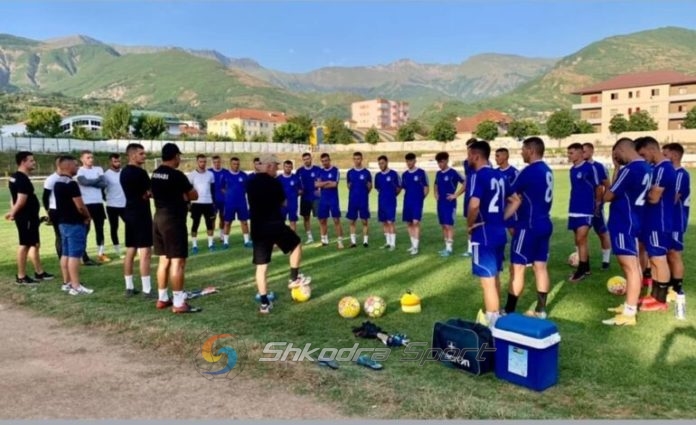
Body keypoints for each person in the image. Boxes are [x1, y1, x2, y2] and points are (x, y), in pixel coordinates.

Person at [247, 154, 311, 314]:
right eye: (276, 166)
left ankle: (264, 304)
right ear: (269, 166)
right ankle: (293, 278)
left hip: (257, 228)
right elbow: (283, 202)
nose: (277, 169)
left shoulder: (251, 182)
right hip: (274, 225)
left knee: (261, 267)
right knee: (296, 244)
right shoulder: (274, 182)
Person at [602, 138, 652, 326]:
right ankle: (629, 305)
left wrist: (617, 169)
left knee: (630, 267)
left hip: (624, 222)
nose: (616, 159)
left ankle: (629, 313)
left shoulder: (629, 169)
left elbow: (608, 195)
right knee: (634, 266)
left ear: (622, 150)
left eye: (616, 155)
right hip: (636, 219)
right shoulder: (647, 167)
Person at [503, 137, 554, 319]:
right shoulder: (547, 170)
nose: (521, 152)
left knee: (517, 268)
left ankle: (508, 311)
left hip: (528, 226)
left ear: (531, 150)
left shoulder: (528, 171)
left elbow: (510, 193)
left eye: (523, 149)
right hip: (544, 223)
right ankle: (541, 310)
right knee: (541, 267)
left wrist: (503, 218)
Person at [151, 143, 201, 314]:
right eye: (179, 156)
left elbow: (152, 193)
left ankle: (162, 298)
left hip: (158, 218)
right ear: (175, 156)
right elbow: (194, 195)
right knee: (178, 262)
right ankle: (179, 302)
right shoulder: (177, 175)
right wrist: (184, 196)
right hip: (173, 221)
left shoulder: (155, 173)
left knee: (163, 261)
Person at [466, 142, 508, 328]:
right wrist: (500, 218)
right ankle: (496, 314)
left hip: (483, 234)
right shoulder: (500, 175)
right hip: (499, 232)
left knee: (487, 281)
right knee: (495, 275)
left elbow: (474, 205)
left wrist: (470, 225)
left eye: (469, 155)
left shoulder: (478, 176)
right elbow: (515, 200)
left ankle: (492, 323)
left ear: (476, 156)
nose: (468, 158)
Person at [635, 136, 676, 312]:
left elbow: (653, 198)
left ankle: (660, 300)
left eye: (643, 154)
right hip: (652, 220)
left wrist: (643, 193)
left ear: (651, 149)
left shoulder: (663, 169)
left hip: (659, 221)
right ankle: (654, 295)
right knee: (654, 258)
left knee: (659, 259)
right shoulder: (656, 168)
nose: (643, 158)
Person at [6, 151, 53, 285]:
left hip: (30, 217)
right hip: (25, 217)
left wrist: (13, 210)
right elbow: (20, 201)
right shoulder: (21, 179)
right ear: (23, 162)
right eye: (31, 160)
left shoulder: (15, 177)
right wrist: (13, 213)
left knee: (35, 244)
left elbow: (13, 198)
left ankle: (39, 273)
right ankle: (21, 277)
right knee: (25, 245)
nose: (34, 163)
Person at [54, 155, 94, 295]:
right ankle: (76, 285)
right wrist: (87, 216)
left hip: (63, 223)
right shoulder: (71, 183)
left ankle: (67, 282)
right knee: (75, 255)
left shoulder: (58, 182)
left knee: (65, 253)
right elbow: (80, 206)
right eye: (76, 165)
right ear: (69, 166)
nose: (77, 167)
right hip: (74, 223)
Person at [120, 143, 154, 299]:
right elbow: (149, 193)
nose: (144, 156)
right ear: (133, 155)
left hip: (129, 212)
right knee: (145, 251)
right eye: (141, 153)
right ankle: (147, 290)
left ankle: (129, 287)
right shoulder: (140, 173)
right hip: (141, 214)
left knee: (131, 250)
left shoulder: (123, 172)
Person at [566, 143, 602, 282]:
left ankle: (580, 271)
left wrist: (597, 204)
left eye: (571, 153)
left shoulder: (590, 168)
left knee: (581, 238)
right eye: (568, 153)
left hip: (586, 209)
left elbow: (598, 187)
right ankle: (586, 268)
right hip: (574, 208)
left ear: (580, 153)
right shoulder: (572, 170)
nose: (569, 155)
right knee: (579, 240)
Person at [662, 143, 689, 316]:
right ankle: (669, 285)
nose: (663, 157)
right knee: (665, 253)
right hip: (666, 220)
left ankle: (677, 288)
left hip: (675, 220)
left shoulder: (680, 174)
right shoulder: (670, 173)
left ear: (675, 155)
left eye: (666, 154)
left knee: (674, 253)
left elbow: (673, 198)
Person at [77, 150, 109, 263]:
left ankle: (101, 253)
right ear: (82, 159)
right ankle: (82, 254)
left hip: (98, 203)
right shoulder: (79, 170)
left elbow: (104, 184)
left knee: (100, 229)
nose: (91, 159)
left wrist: (91, 182)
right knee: (85, 230)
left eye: (92, 157)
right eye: (88, 157)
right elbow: (84, 182)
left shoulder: (98, 169)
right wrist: (97, 180)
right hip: (86, 204)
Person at [433, 151, 465, 257]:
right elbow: (435, 184)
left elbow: (465, 183)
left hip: (450, 203)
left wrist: (456, 195)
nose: (440, 164)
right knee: (443, 225)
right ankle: (446, 247)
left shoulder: (453, 173)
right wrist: (435, 193)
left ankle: (449, 249)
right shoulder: (438, 173)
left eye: (441, 162)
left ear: (446, 161)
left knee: (448, 225)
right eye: (438, 162)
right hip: (440, 203)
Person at [401, 152, 429, 255]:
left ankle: (416, 247)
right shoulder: (404, 175)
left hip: (417, 202)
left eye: (411, 161)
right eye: (407, 161)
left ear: (415, 161)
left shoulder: (421, 173)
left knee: (416, 222)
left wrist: (421, 199)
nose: (409, 163)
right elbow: (404, 188)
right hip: (407, 202)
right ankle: (412, 245)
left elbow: (426, 188)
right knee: (409, 223)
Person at [188, 154, 216, 254]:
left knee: (209, 224)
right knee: (195, 224)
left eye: (204, 161)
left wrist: (213, 202)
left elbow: (213, 190)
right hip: (196, 204)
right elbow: (188, 191)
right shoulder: (191, 175)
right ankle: (194, 245)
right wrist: (188, 203)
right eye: (201, 161)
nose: (203, 163)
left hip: (208, 203)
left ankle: (210, 244)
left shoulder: (210, 174)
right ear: (197, 162)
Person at [222, 157, 252, 249]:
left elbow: (247, 188)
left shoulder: (244, 175)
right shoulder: (225, 175)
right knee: (227, 222)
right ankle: (225, 242)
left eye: (237, 164)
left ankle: (246, 241)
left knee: (244, 222)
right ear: (230, 164)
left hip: (241, 202)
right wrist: (228, 195)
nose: (236, 165)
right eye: (234, 164)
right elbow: (221, 188)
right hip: (229, 203)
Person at [316, 153, 344, 249]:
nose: (324, 162)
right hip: (323, 199)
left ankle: (340, 241)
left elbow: (334, 184)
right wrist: (328, 182)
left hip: (333, 199)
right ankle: (324, 240)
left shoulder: (335, 170)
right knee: (322, 220)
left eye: (326, 160)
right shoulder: (320, 171)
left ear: (329, 160)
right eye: (323, 161)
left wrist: (323, 184)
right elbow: (316, 184)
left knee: (336, 220)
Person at [374, 155, 401, 251]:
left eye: (382, 163)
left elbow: (399, 188)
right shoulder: (377, 176)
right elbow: (378, 188)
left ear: (386, 162)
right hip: (381, 201)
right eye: (379, 164)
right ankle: (388, 242)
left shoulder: (394, 174)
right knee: (384, 222)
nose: (381, 165)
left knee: (390, 222)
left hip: (390, 202)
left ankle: (393, 244)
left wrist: (392, 195)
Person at [346, 152, 372, 248]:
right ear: (353, 159)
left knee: (364, 221)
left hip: (363, 200)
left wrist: (364, 193)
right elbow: (348, 186)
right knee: (352, 221)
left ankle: (365, 241)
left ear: (361, 159)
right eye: (355, 159)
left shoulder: (366, 173)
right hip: (353, 200)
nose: (357, 160)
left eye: (358, 158)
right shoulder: (350, 172)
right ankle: (353, 242)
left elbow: (370, 187)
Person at [104, 153, 126, 259]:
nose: (117, 163)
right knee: (114, 227)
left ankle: (135, 247)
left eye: (119, 161)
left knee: (131, 225)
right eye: (115, 161)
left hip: (125, 205)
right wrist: (108, 199)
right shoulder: (106, 175)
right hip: (112, 206)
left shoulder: (124, 172)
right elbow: (102, 190)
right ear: (110, 162)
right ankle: (118, 251)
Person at [296, 152, 322, 244]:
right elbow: (297, 184)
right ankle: (310, 237)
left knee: (320, 217)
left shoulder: (317, 169)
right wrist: (299, 191)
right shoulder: (299, 171)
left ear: (311, 159)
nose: (306, 161)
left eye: (308, 159)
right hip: (305, 198)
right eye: (304, 159)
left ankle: (323, 236)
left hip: (316, 198)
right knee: (306, 218)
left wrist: (319, 190)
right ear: (303, 160)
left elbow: (321, 181)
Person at [494, 148, 519, 234]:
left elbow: (518, 192)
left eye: (497, 156)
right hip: (497, 208)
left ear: (505, 156)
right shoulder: (494, 173)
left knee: (513, 231)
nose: (495, 158)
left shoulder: (514, 172)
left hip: (510, 207)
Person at [42, 156, 63, 258]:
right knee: (59, 235)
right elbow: (45, 197)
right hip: (56, 210)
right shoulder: (51, 179)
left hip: (67, 210)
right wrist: (48, 212)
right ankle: (62, 259)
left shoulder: (68, 178)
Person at [461, 137, 478, 257]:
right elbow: (467, 180)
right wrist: (457, 194)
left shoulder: (485, 162)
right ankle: (470, 249)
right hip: (468, 196)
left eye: (471, 148)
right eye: (468, 148)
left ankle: (480, 246)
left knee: (481, 221)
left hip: (480, 196)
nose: (469, 150)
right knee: (469, 222)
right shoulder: (466, 162)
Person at [209, 155, 230, 243]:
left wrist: (227, 191)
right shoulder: (209, 172)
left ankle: (221, 235)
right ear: (212, 163)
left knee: (223, 218)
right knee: (212, 219)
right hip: (212, 200)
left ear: (221, 162)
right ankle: (211, 238)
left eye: (218, 162)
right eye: (215, 162)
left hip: (223, 200)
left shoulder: (226, 172)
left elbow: (229, 185)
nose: (217, 164)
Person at [278, 160, 302, 232]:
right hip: (282, 204)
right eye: (286, 166)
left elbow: (301, 190)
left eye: (289, 167)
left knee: (293, 221)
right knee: (281, 222)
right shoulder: (278, 179)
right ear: (283, 167)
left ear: (292, 168)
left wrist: (297, 193)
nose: (288, 168)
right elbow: (274, 192)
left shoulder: (296, 178)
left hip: (293, 203)